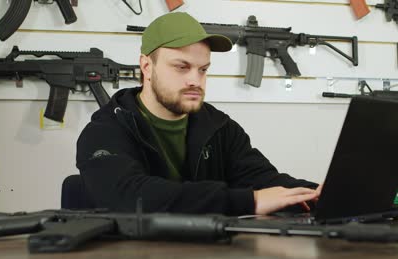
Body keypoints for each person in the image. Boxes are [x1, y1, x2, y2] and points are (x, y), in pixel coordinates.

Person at [76, 12, 321, 216]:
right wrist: (249, 201)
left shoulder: (220, 127)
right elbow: (131, 197)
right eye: (182, 67)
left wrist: (318, 193)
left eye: (203, 69)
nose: (195, 80)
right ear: (147, 67)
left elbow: (264, 181)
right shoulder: (105, 131)